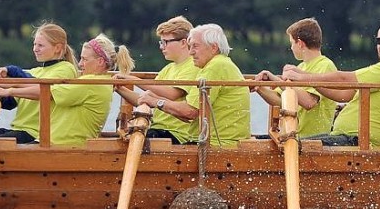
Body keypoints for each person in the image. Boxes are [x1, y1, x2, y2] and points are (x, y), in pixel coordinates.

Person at [281, 22, 380, 148]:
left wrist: (303, 78)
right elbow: (343, 95)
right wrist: (309, 80)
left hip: (358, 141)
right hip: (347, 138)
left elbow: (344, 78)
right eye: (379, 41)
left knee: (288, 146)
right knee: (288, 143)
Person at [136, 23, 250, 147]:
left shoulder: (215, 66)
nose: (190, 52)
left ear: (213, 47)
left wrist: (156, 102)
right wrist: (155, 100)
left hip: (218, 144)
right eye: (190, 47)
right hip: (213, 141)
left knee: (139, 142)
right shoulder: (218, 64)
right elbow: (188, 115)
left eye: (195, 46)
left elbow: (190, 112)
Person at [114, 16, 199, 144]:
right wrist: (119, 88)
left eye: (165, 42)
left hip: (176, 134)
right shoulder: (168, 69)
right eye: (161, 42)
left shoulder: (193, 66)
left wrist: (135, 80)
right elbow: (144, 99)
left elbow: (172, 94)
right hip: (158, 130)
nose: (161, 47)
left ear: (183, 42)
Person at [0, 22, 78, 143]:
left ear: (58, 48)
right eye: (34, 44)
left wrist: (12, 71)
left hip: (36, 134)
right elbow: (11, 103)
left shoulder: (66, 69)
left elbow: (42, 89)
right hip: (19, 130)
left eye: (40, 45)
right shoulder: (35, 71)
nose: (35, 49)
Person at [254, 18, 338, 137]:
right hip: (295, 137)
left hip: (315, 139)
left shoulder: (325, 66)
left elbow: (309, 102)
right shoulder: (301, 66)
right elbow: (280, 101)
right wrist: (258, 87)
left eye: (292, 43)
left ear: (300, 43)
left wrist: (277, 81)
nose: (291, 48)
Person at [49, 34, 135, 146]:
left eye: (84, 59)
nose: (80, 64)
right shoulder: (103, 82)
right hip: (68, 143)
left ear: (100, 61)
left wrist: (18, 89)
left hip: (65, 144)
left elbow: (46, 92)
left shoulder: (91, 83)